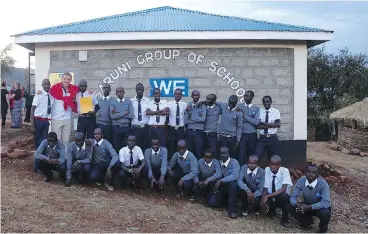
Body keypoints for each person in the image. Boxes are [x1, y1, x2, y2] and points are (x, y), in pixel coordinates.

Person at [288, 164, 331, 233]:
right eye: (309, 171)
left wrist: (310, 207)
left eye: (313, 172)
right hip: (307, 204)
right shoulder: (301, 181)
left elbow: (326, 203)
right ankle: (307, 221)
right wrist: (296, 204)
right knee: (289, 205)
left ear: (318, 174)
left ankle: (323, 227)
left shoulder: (323, 184)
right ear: (305, 172)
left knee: (325, 213)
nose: (310, 174)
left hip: (319, 207)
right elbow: (293, 196)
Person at [207, 147, 240, 219]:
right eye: (221, 153)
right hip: (223, 186)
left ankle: (232, 210)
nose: (222, 155)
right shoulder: (219, 162)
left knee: (232, 184)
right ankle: (229, 201)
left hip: (234, 187)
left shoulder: (234, 162)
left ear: (228, 154)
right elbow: (217, 174)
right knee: (212, 203)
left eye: (224, 153)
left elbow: (235, 176)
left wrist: (221, 180)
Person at [261, 155, 292, 227]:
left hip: (281, 196)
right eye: (271, 164)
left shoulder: (285, 171)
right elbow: (265, 187)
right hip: (271, 196)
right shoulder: (267, 169)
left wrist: (267, 196)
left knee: (284, 196)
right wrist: (263, 200)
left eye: (275, 165)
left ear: (279, 165)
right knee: (267, 211)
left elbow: (283, 189)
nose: (273, 167)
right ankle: (272, 210)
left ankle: (285, 219)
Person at [49, 72, 79, 146]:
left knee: (66, 141)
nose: (66, 81)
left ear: (71, 80)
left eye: (68, 79)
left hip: (67, 118)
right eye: (64, 79)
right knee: (57, 140)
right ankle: (58, 156)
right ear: (61, 79)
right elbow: (48, 99)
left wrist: (90, 92)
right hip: (56, 118)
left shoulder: (73, 89)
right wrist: (40, 92)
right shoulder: (54, 88)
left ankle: (65, 156)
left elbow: (82, 93)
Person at [236, 91, 260, 166]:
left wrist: (244, 116)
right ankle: (241, 172)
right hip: (242, 134)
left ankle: (250, 171)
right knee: (241, 155)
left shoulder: (256, 108)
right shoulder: (239, 106)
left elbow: (256, 122)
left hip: (252, 134)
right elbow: (236, 119)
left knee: (251, 154)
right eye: (245, 96)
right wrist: (250, 119)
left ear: (252, 97)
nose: (245, 97)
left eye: (248, 96)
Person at [31, 79, 54, 149]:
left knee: (45, 140)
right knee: (37, 139)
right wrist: (32, 125)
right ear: (42, 85)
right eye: (45, 84)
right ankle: (37, 157)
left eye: (48, 84)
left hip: (45, 121)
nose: (46, 86)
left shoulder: (50, 96)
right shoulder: (38, 95)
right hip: (38, 121)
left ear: (50, 85)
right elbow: (32, 109)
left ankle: (43, 156)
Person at [110, 87, 134, 152]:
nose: (120, 93)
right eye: (118, 92)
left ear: (124, 92)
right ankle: (117, 161)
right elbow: (112, 116)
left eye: (121, 91)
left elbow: (131, 115)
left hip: (126, 127)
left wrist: (118, 113)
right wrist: (125, 113)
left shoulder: (128, 102)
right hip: (116, 127)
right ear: (116, 93)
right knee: (116, 146)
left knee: (125, 146)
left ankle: (125, 161)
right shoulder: (113, 102)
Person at [184, 90, 206, 158]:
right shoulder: (189, 105)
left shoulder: (203, 106)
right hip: (190, 131)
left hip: (199, 131)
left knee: (198, 151)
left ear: (199, 96)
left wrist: (192, 118)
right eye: (194, 95)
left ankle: (198, 167)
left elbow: (203, 119)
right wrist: (196, 120)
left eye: (197, 95)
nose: (196, 96)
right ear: (191, 96)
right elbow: (186, 121)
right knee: (190, 151)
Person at [167, 88, 187, 158]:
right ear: (174, 95)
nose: (177, 95)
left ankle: (180, 164)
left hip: (180, 130)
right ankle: (171, 165)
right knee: (171, 147)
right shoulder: (169, 104)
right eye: (176, 94)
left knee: (180, 147)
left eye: (179, 94)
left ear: (181, 95)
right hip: (171, 129)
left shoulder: (184, 105)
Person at [130, 83, 150, 151]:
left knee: (145, 147)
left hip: (145, 128)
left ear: (143, 90)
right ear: (136, 90)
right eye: (138, 89)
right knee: (136, 148)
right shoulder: (131, 101)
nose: (140, 91)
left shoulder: (148, 101)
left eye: (141, 89)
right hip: (135, 128)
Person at [203, 94, 221, 159]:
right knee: (203, 152)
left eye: (209, 99)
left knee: (214, 152)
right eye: (206, 98)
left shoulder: (218, 108)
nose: (206, 100)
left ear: (214, 101)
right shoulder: (203, 107)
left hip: (213, 134)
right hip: (203, 133)